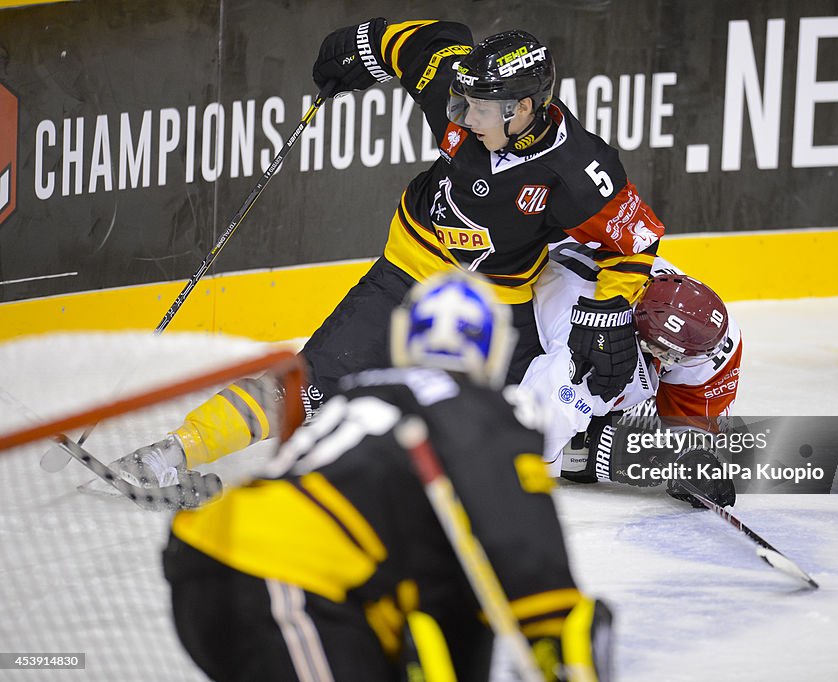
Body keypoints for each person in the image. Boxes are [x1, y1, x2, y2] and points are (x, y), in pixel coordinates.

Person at [113, 18, 664, 491]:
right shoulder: (461, 99)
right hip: (408, 272)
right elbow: (423, 43)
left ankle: (633, 450)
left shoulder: (579, 170)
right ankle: (175, 452)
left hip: (493, 304)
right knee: (311, 385)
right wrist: (360, 45)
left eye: (481, 110)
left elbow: (633, 243)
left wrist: (611, 313)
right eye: (463, 103)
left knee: (521, 430)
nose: (465, 118)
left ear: (523, 109)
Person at [163, 271, 614, 681]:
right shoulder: (488, 409)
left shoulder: (358, 392)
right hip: (279, 579)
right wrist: (554, 628)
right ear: (494, 348)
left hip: (207, 562)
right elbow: (521, 542)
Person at [519, 239, 741, 508]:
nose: (684, 363)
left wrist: (695, 455)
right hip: (527, 320)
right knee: (582, 452)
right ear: (643, 338)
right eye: (671, 355)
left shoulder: (710, 333)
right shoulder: (588, 351)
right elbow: (528, 445)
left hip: (568, 264)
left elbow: (697, 416)